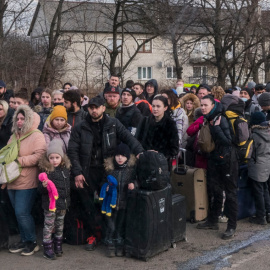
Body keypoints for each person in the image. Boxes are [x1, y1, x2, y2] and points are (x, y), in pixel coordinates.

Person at [67, 95, 144, 251]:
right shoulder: (80, 128)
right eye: (91, 107)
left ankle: (108, 235)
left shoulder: (113, 124)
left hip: (107, 171)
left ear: (103, 108)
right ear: (87, 108)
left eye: (97, 107)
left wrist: (140, 152)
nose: (94, 110)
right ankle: (93, 235)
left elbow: (129, 138)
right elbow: (72, 151)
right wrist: (77, 172)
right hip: (86, 172)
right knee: (88, 205)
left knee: (108, 204)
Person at [196, 95, 238, 240]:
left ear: (213, 105)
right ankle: (213, 220)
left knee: (230, 193)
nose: (202, 107)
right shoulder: (208, 118)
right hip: (214, 159)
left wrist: (216, 128)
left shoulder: (221, 119)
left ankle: (231, 226)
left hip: (227, 160)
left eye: (205, 105)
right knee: (215, 190)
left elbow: (228, 141)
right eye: (201, 105)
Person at [6, 105, 46, 255]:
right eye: (18, 118)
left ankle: (32, 241)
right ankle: (24, 239)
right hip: (12, 180)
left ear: (29, 120)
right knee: (18, 213)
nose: (20, 121)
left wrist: (19, 161)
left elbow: (40, 155)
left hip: (27, 180)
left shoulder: (37, 135)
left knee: (22, 212)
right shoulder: (13, 135)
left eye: (23, 118)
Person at [38, 139, 71, 260]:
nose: (54, 160)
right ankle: (47, 248)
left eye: (57, 157)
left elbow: (67, 187)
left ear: (61, 157)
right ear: (48, 158)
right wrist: (43, 186)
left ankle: (58, 245)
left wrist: (67, 201)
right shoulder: (46, 172)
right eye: (51, 158)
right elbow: (40, 191)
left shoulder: (66, 170)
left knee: (59, 226)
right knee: (48, 226)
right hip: (50, 206)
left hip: (62, 205)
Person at [103, 143, 136, 257]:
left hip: (123, 203)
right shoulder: (109, 169)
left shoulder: (130, 170)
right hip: (110, 204)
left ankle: (119, 244)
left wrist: (134, 184)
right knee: (111, 225)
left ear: (127, 157)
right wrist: (104, 186)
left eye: (123, 155)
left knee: (120, 225)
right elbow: (102, 182)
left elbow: (137, 180)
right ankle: (110, 245)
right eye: (117, 155)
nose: (120, 158)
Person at [135, 95, 179, 162]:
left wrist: (158, 154)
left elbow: (174, 148)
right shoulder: (145, 121)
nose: (155, 109)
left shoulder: (170, 124)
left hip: (161, 164)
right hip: (144, 161)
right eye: (153, 106)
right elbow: (137, 140)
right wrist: (143, 152)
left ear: (165, 108)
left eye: (158, 106)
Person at [248, 112, 270, 225]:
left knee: (258, 192)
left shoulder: (254, 135)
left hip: (256, 166)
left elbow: (249, 153)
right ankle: (269, 214)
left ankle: (261, 217)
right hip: (267, 164)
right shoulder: (268, 132)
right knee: (265, 190)